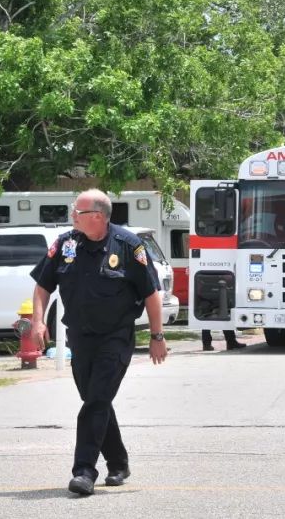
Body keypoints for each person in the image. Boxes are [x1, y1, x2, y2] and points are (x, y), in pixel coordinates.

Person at [30, 189, 168, 497]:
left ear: (97, 216)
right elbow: (42, 285)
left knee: (95, 402)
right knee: (96, 400)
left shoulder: (129, 246)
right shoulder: (67, 244)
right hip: (81, 337)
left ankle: (84, 471)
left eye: (76, 211)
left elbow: (151, 294)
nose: (71, 216)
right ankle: (118, 462)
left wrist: (157, 335)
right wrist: (39, 321)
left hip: (115, 337)